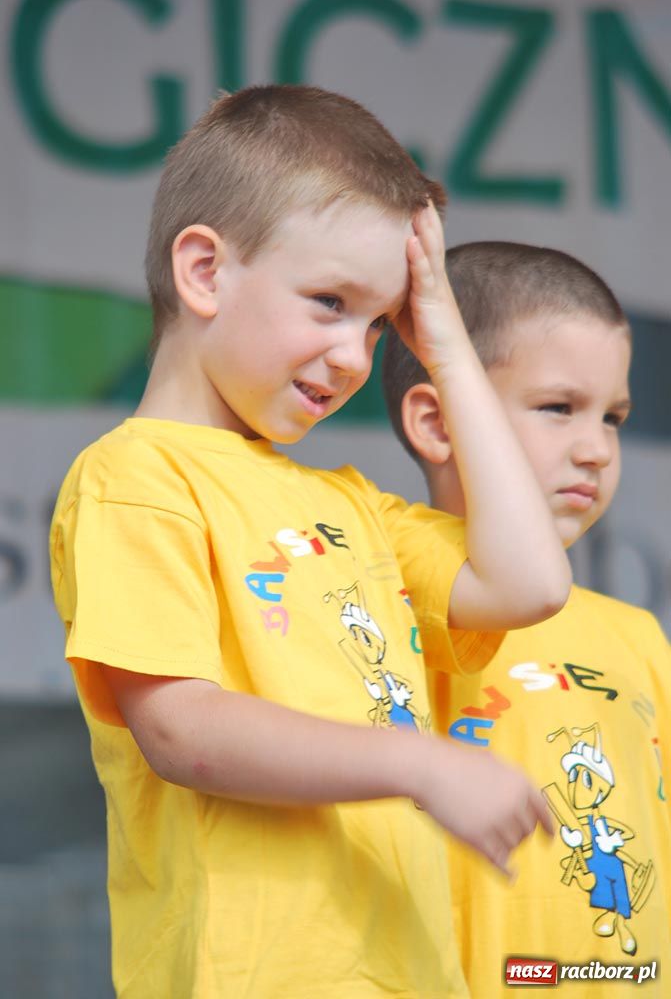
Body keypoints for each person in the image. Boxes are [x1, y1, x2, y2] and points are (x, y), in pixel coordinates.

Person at [49, 87, 570, 999]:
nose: (357, 357)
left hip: (403, 971)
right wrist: (422, 762)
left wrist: (445, 345)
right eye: (330, 302)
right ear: (205, 272)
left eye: (380, 323)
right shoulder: (134, 475)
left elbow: (529, 583)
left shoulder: (352, 507)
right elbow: (180, 727)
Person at [382, 240, 671, 996]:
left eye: (611, 417)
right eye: (557, 409)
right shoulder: (381, 587)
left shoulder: (636, 636)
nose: (595, 451)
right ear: (438, 423)